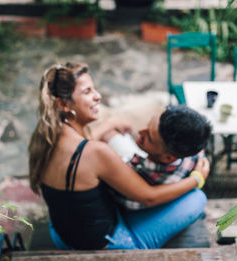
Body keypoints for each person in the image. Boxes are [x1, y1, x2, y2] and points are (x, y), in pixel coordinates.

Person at [28, 62, 210, 250]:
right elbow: (149, 198)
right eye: (88, 92)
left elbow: (83, 149)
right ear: (63, 104)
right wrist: (196, 178)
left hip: (61, 233)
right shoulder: (97, 153)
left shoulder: (48, 135)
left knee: (123, 149)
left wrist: (109, 124)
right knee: (197, 199)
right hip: (107, 245)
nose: (97, 96)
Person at [102, 105, 212, 211]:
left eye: (149, 137)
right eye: (149, 124)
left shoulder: (133, 169)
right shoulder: (193, 155)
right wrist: (197, 178)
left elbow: (90, 153)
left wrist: (109, 124)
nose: (140, 131)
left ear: (168, 158)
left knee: (107, 135)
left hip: (120, 204)